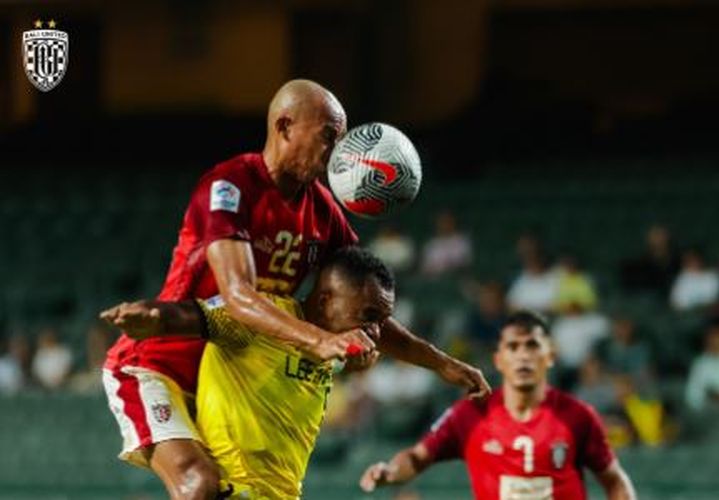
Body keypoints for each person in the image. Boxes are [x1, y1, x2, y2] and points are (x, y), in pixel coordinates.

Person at [102, 79, 489, 500]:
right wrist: (322, 340)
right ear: (285, 126)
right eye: (329, 136)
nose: (338, 152)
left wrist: (442, 364)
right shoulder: (230, 186)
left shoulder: (323, 211)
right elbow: (237, 295)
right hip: (158, 364)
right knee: (199, 484)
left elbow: (363, 303)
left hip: (226, 379)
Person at [103, 247, 396, 497]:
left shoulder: (333, 347)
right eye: (368, 315)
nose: (374, 330)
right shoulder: (263, 318)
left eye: (380, 322)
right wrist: (155, 317)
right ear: (325, 301)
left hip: (281, 494)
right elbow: (195, 315)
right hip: (231, 488)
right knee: (197, 484)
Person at [359, 311, 636, 500]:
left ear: (549, 356)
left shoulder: (578, 416)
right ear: (499, 359)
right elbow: (417, 457)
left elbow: (614, 482)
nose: (523, 356)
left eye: (532, 346)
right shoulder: (471, 414)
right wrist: (391, 472)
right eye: (513, 347)